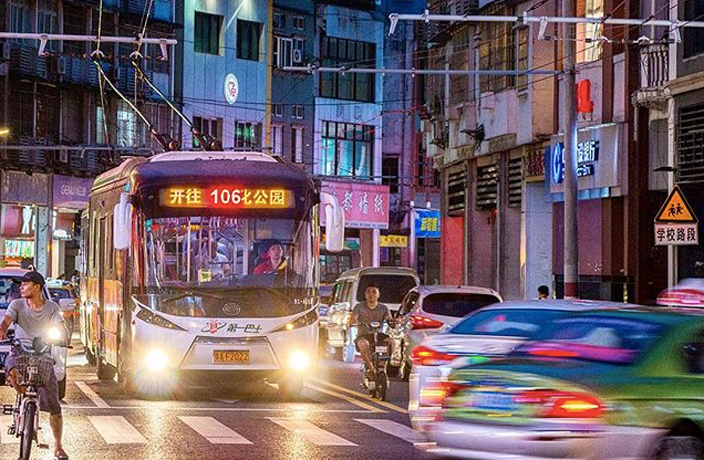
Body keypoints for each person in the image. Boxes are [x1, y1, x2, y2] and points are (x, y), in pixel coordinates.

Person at [0, 271, 68, 460]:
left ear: (37, 287)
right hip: (20, 351)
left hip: (43, 354)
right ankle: (22, 397)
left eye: (25, 284)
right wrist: (2, 330)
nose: (21, 287)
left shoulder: (52, 308)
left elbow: (60, 326)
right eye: (20, 284)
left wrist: (61, 336)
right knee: (11, 368)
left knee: (54, 405)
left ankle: (58, 447)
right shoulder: (17, 305)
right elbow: (6, 321)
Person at [349, 285, 396, 378]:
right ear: (365, 294)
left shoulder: (384, 308)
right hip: (363, 335)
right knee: (363, 344)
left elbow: (389, 319)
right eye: (368, 292)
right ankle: (371, 368)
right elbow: (353, 319)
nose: (371, 294)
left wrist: (393, 321)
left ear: (379, 295)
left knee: (391, 342)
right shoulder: (359, 307)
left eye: (374, 292)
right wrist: (355, 322)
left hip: (378, 334)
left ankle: (382, 365)